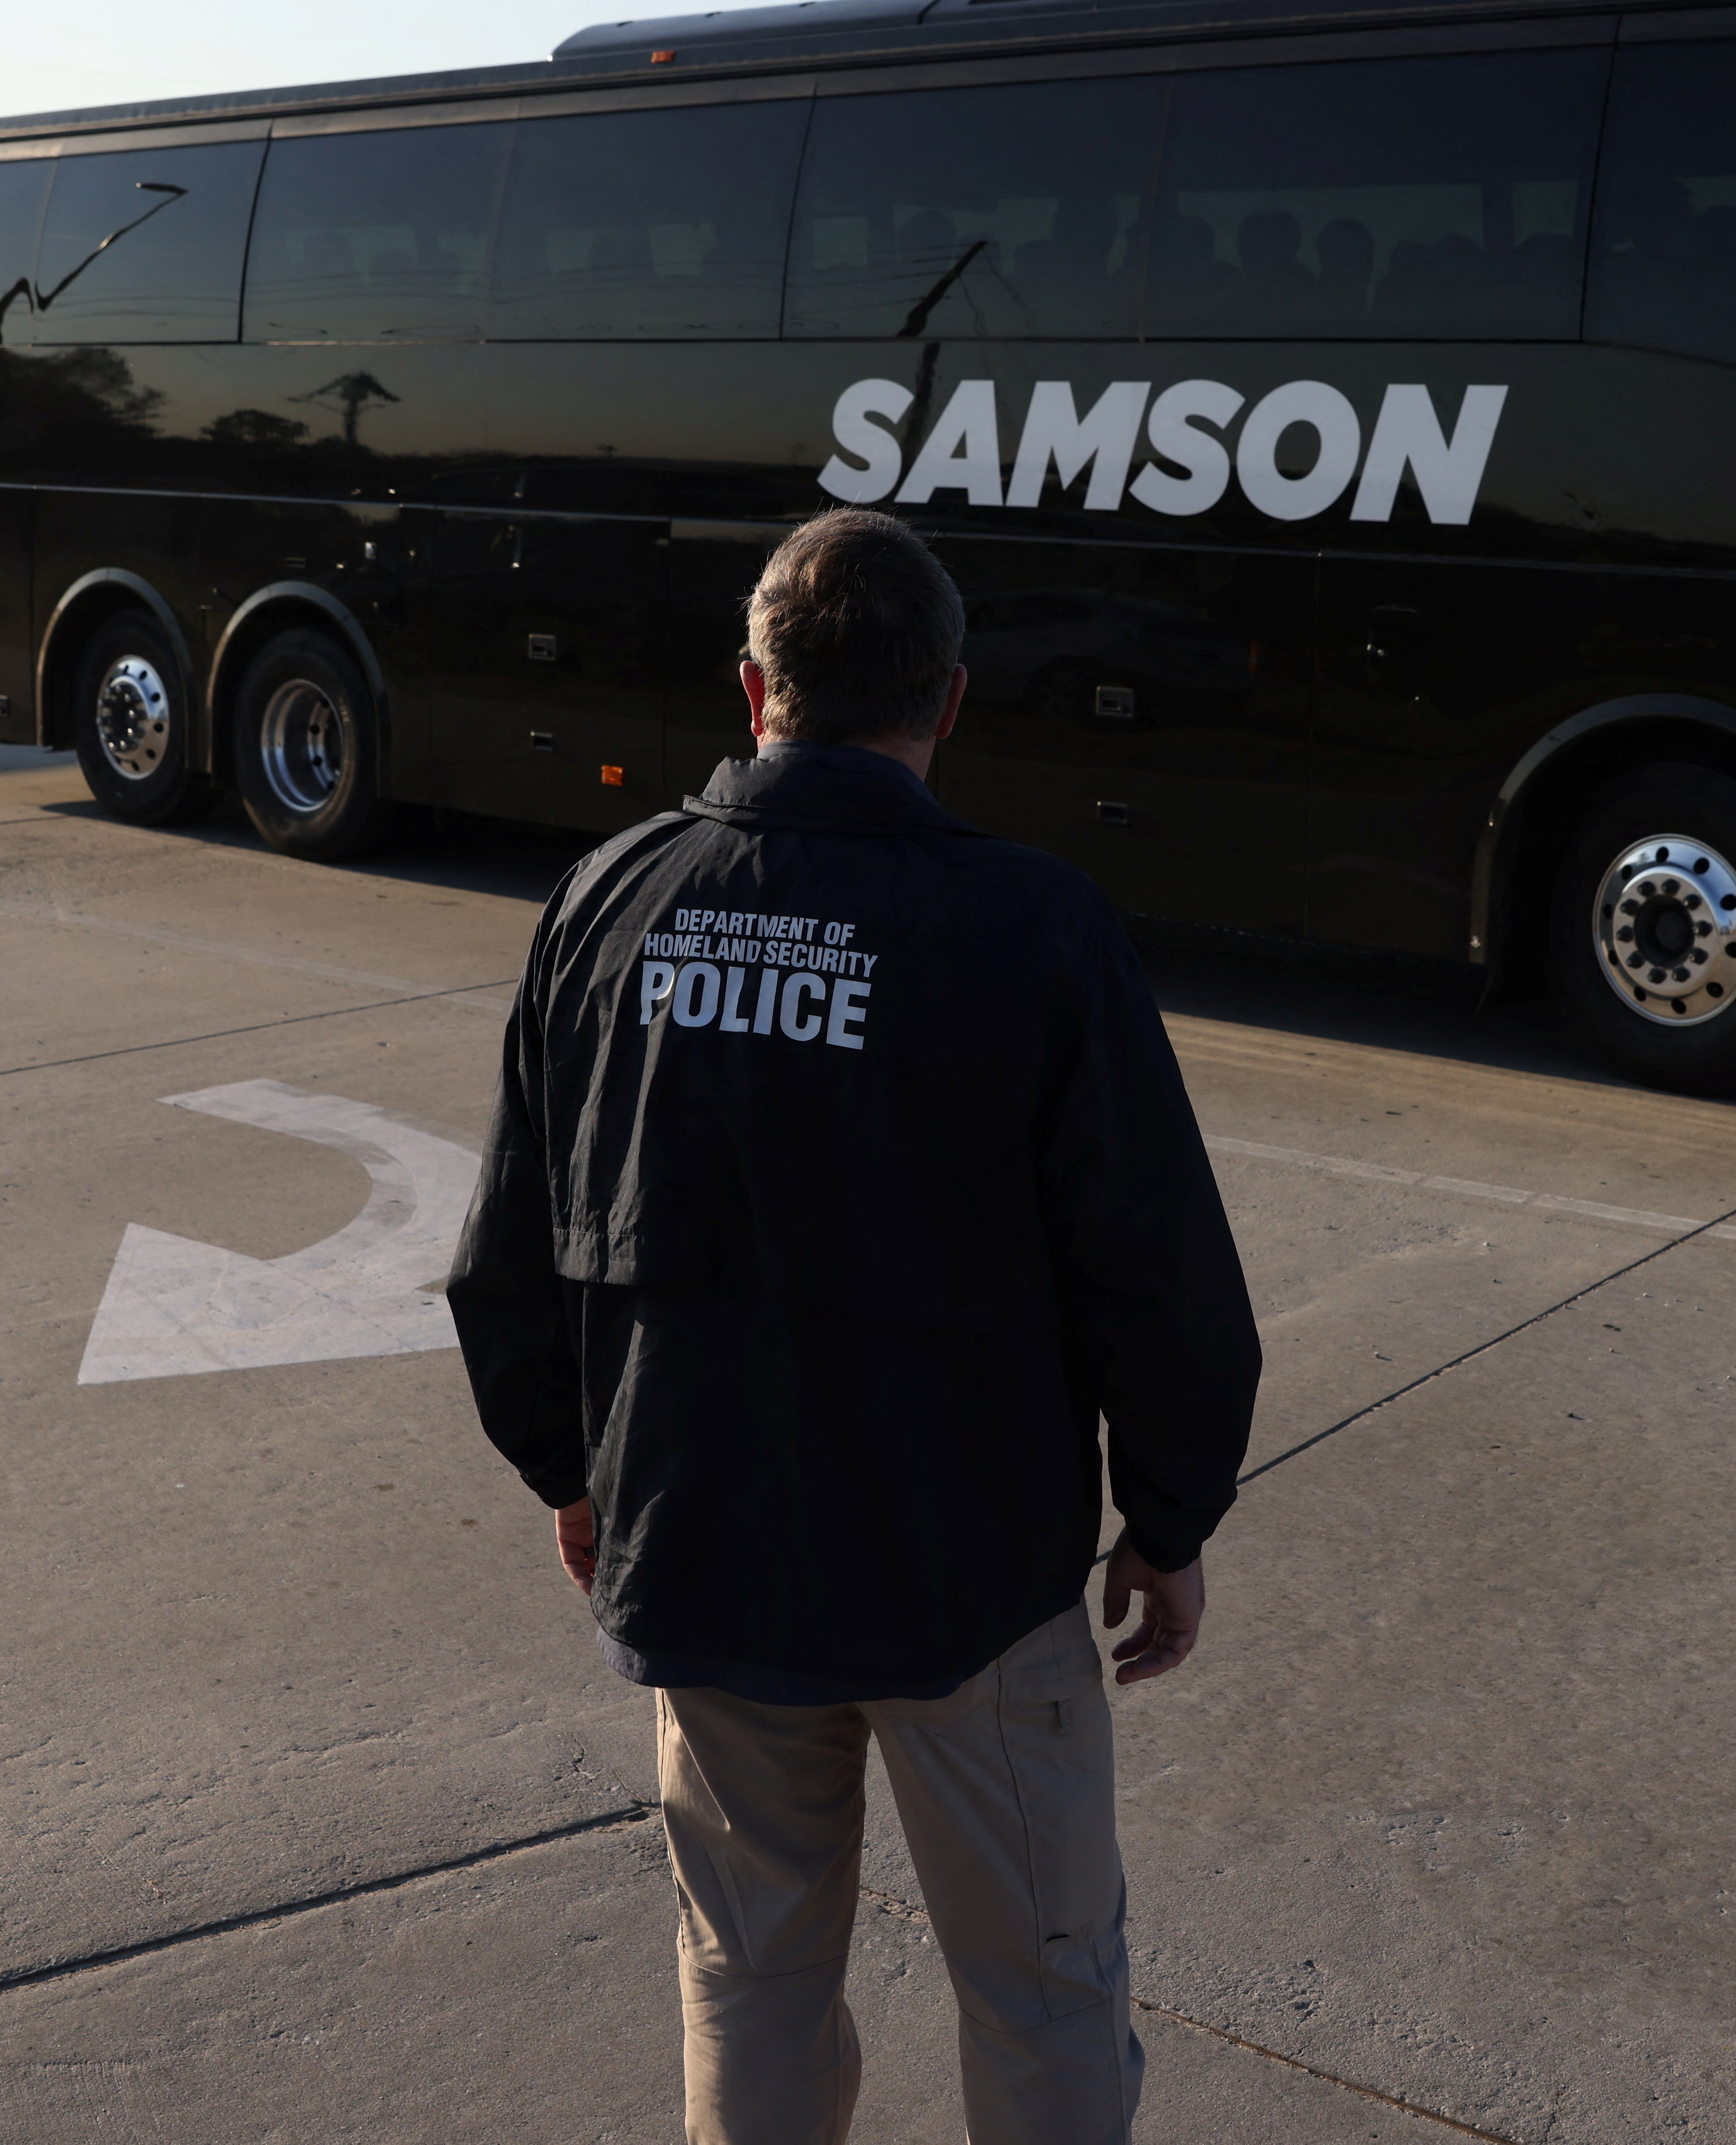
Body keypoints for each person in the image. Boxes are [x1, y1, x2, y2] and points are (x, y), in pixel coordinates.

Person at [447, 506, 1262, 2145]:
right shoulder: (1035, 929)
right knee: (1042, 1989)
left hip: (704, 1557)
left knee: (749, 1979)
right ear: (947, 702)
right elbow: (1158, 1272)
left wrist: (575, 1473)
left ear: (755, 692)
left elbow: (507, 1263)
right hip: (970, 1585)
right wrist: (1167, 1523)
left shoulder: (610, 902)